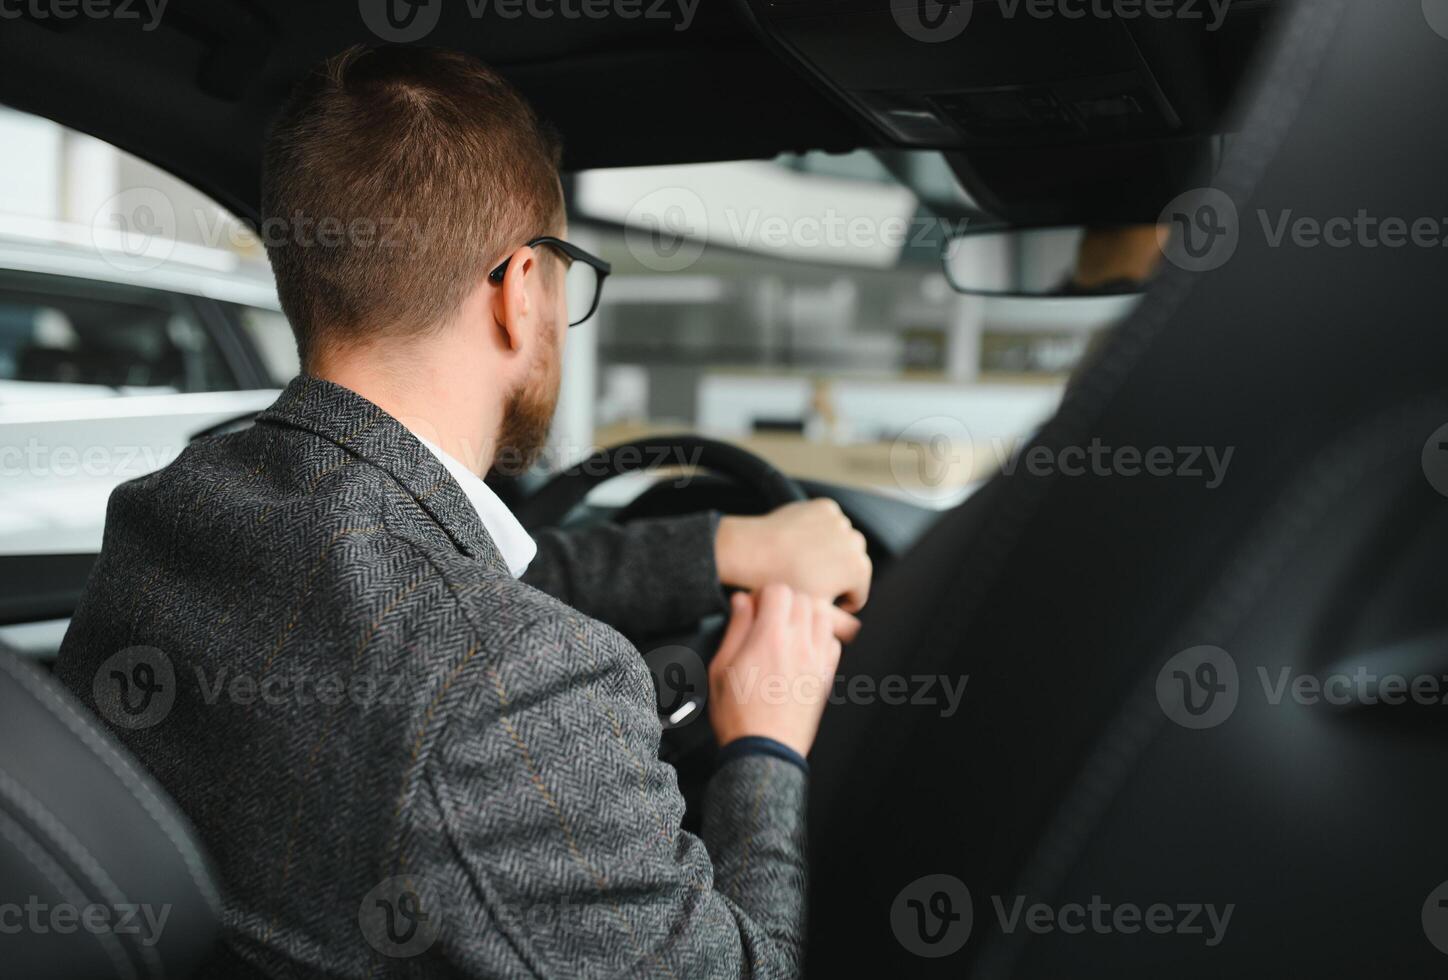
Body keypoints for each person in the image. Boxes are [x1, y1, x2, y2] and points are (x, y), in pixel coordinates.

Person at [54, 45, 871, 978]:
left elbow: (450, 579)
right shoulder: (514, 687)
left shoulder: (184, 505)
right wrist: (766, 739)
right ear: (522, 290)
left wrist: (725, 544)